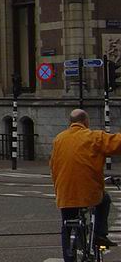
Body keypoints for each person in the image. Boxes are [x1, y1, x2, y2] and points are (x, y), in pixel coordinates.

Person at [50, 108, 121, 258]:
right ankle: (99, 235)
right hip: (89, 192)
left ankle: (69, 258)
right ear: (86, 122)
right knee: (105, 200)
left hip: (65, 193)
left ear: (70, 122)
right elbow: (117, 143)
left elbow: (53, 166)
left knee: (66, 224)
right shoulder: (95, 137)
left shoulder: (58, 139)